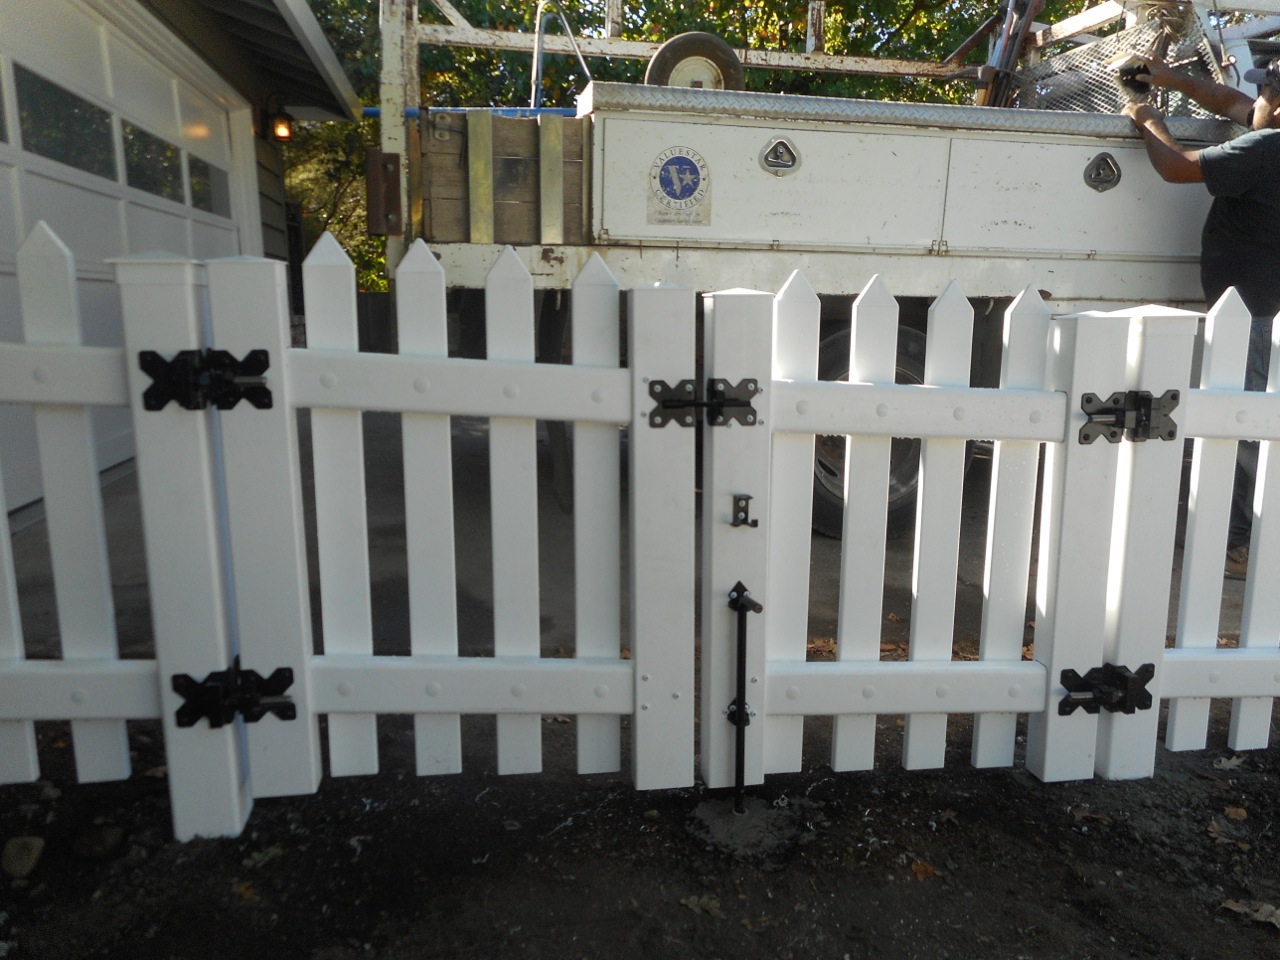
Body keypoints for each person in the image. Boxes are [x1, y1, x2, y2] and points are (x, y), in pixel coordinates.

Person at [1121, 56, 1280, 580]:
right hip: (1262, 306)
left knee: (1239, 425)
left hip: (1251, 314)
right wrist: (1170, 79)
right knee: (1245, 420)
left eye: (1266, 92)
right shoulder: (1269, 137)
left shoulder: (1267, 149)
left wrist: (1147, 119)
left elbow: (1177, 167)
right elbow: (1232, 103)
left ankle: (1234, 546)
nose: (1256, 99)